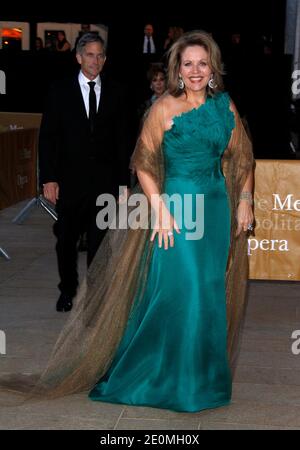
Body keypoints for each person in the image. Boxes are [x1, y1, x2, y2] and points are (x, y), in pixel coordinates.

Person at [0, 31, 254, 413]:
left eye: (202, 63)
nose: (196, 70)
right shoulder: (164, 107)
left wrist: (245, 200)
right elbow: (143, 163)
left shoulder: (225, 106)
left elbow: (241, 157)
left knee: (208, 290)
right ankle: (162, 375)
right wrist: (161, 210)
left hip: (215, 208)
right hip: (177, 208)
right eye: (188, 64)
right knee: (180, 291)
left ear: (212, 67)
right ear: (177, 69)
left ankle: (202, 377)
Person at [39, 33, 133, 313]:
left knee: (100, 242)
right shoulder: (59, 90)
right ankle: (67, 289)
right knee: (66, 240)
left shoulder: (118, 92)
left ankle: (95, 296)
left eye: (101, 55)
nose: (96, 60)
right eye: (90, 54)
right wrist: (49, 178)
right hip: (69, 183)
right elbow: (48, 138)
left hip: (105, 183)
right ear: (78, 57)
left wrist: (123, 184)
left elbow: (123, 142)